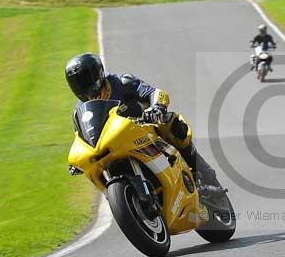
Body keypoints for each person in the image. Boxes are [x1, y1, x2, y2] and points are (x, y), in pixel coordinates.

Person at [64, 53, 220, 186]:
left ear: (97, 73)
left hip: (144, 129)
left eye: (84, 80)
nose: (82, 87)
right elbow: (83, 138)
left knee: (171, 123)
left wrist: (157, 108)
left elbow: (155, 93)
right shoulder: (81, 111)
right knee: (95, 170)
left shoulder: (121, 83)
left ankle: (202, 173)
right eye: (77, 83)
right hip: (116, 146)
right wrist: (79, 162)